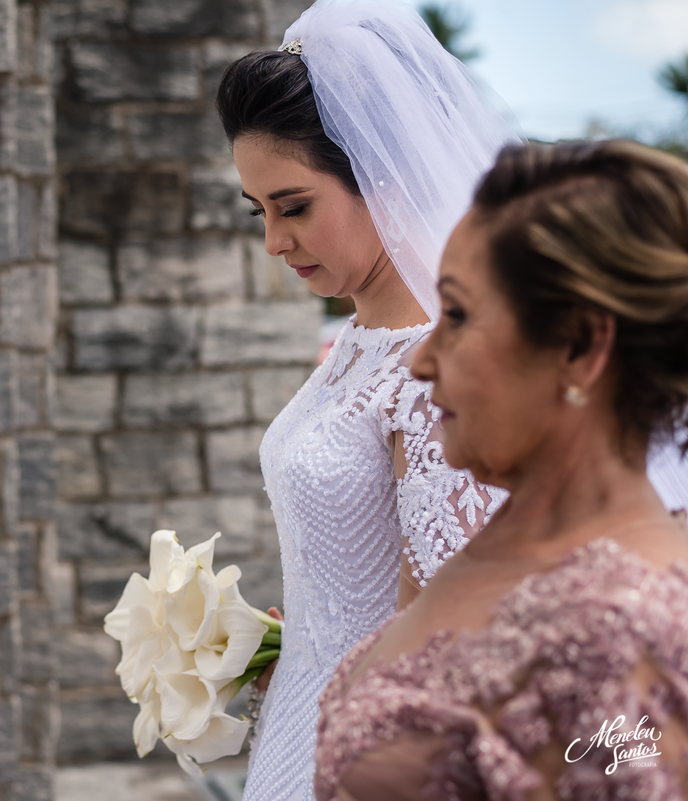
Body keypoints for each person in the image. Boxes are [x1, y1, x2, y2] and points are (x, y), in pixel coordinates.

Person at [315, 139, 688, 798]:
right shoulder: (487, 545)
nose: (420, 361)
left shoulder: (630, 622)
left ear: (578, 345)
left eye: (456, 314)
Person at [214, 2, 517, 797]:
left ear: (382, 174)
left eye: (295, 205)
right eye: (260, 212)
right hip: (296, 721)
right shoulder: (355, 344)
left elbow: (453, 626)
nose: (275, 241)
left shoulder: (435, 372)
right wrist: (269, 642)